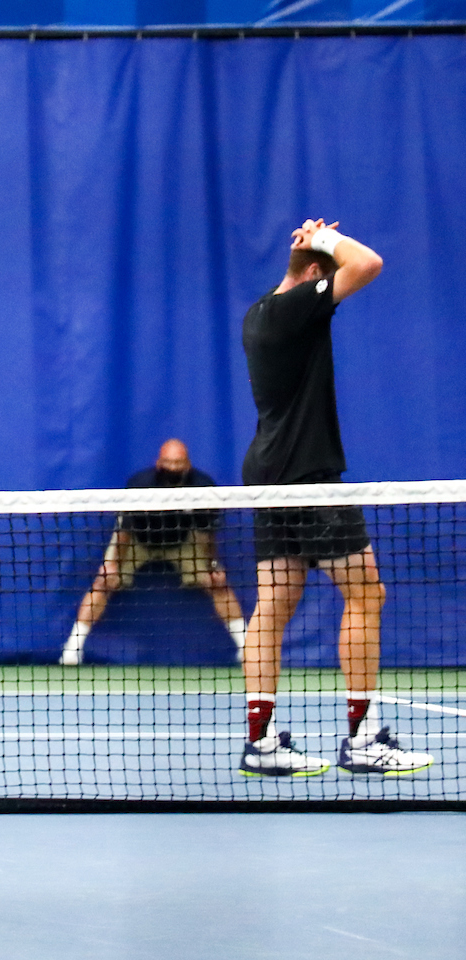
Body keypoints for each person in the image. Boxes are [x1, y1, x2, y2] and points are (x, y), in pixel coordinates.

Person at [237, 218, 434, 777]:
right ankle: (364, 737)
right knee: (366, 594)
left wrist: (312, 248)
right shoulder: (294, 308)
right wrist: (321, 239)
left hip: (270, 474)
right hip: (307, 477)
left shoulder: (257, 314)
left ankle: (262, 741)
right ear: (316, 274)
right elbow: (367, 263)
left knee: (272, 609)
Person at [60, 439, 247, 666]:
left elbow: (206, 534)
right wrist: (112, 566)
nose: (174, 468)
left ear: (188, 464)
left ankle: (248, 647)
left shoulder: (202, 486)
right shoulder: (141, 484)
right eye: (169, 462)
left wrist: (212, 566)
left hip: (182, 542)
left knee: (217, 584)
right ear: (159, 462)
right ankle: (73, 649)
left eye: (178, 463)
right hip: (137, 541)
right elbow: (124, 532)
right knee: (103, 582)